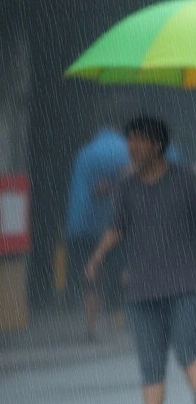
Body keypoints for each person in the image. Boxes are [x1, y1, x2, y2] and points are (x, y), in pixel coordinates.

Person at [85, 116, 196, 404]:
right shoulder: (126, 186)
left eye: (139, 140)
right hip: (142, 288)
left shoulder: (187, 180)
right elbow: (117, 228)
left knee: (189, 350)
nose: (132, 147)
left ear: (158, 145)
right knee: (150, 360)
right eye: (129, 140)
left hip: (184, 286)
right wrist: (97, 256)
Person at [66, 126, 129, 340]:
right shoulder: (120, 153)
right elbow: (102, 189)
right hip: (103, 226)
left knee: (90, 278)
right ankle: (117, 315)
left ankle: (91, 327)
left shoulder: (85, 154)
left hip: (80, 226)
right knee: (111, 271)